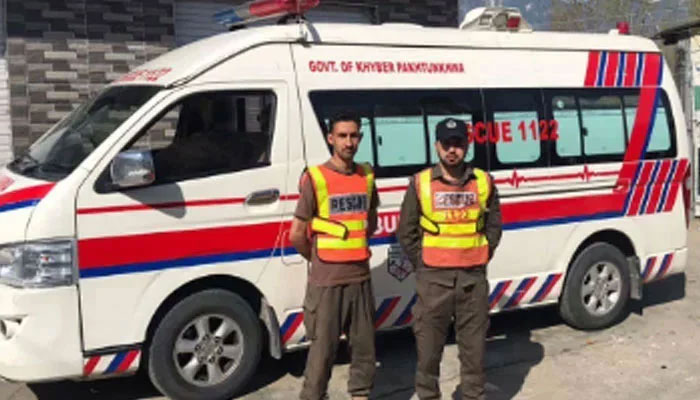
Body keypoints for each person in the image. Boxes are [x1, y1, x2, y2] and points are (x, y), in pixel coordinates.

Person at [397, 117, 502, 400]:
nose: (452, 150)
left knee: (474, 354)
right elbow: (405, 231)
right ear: (437, 146)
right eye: (446, 144)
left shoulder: (483, 181)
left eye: (458, 144)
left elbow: (494, 227)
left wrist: (481, 253)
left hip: (472, 279)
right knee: (428, 355)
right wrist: (423, 262)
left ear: (467, 145)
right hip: (433, 281)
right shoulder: (420, 183)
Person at [289, 111, 379, 400]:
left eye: (354, 136)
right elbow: (297, 234)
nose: (348, 142)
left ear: (360, 138)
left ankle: (360, 395)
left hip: (360, 278)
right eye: (342, 136)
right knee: (322, 354)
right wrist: (317, 261)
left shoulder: (366, 176)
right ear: (330, 138)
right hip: (326, 282)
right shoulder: (315, 178)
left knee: (364, 351)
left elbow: (371, 221)